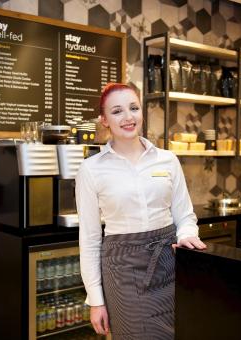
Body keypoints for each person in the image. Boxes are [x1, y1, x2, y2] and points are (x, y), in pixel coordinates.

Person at [75, 83, 206, 339]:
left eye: (133, 108)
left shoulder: (167, 160)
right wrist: (95, 300)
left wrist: (187, 233)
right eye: (117, 111)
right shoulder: (90, 170)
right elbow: (90, 240)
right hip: (123, 269)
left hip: (169, 262)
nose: (128, 117)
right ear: (104, 120)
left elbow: (184, 214)